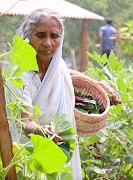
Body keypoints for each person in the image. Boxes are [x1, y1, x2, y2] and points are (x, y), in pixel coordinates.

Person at [7, 8, 121, 179]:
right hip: (32, 156)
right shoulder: (20, 76)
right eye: (40, 35)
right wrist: (42, 131)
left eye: (54, 36)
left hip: (61, 149)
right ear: (28, 36)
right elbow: (26, 122)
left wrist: (98, 84)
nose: (48, 43)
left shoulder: (56, 65)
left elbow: (67, 72)